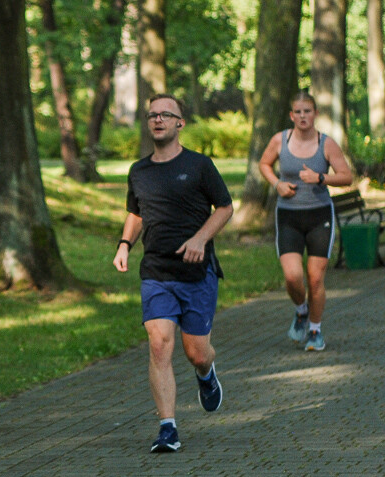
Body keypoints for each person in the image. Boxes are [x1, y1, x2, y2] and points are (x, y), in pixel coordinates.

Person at [113, 94, 234, 454]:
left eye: (166, 114)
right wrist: (124, 244)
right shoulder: (139, 171)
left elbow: (225, 208)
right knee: (159, 343)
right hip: (156, 271)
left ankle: (206, 374)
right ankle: (168, 427)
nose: (158, 119)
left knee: (197, 352)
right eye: (152, 115)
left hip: (197, 273)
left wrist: (200, 238)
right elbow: (136, 214)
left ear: (180, 123)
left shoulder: (199, 166)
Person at [258, 92, 352, 352]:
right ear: (291, 115)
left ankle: (314, 331)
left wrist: (320, 178)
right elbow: (264, 164)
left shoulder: (326, 144)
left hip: (319, 215)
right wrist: (277, 184)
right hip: (288, 215)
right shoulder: (280, 140)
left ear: (315, 114)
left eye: (307, 111)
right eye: (298, 112)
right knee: (292, 277)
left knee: (315, 278)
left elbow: (346, 177)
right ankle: (301, 311)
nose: (303, 116)